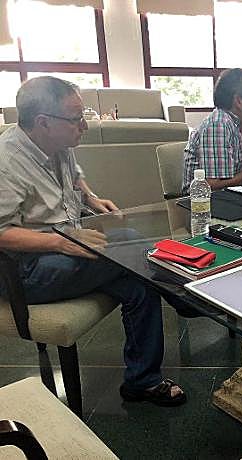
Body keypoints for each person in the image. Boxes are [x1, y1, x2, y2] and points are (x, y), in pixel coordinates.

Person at [0, 76, 186, 405]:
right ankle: (185, 292)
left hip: (67, 246)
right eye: (76, 118)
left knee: (139, 284)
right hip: (24, 272)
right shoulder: (7, 162)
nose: (84, 125)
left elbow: (74, 177)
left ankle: (142, 381)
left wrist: (91, 198)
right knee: (130, 242)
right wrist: (59, 242)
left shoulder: (56, 143)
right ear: (43, 122)